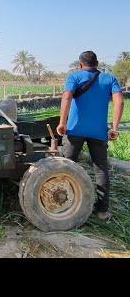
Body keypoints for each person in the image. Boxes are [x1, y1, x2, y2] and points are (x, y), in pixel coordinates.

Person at [56, 50, 124, 221]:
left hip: (74, 130)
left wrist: (62, 123)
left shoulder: (74, 77)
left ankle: (65, 204)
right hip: (99, 133)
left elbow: (66, 97)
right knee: (101, 170)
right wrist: (114, 128)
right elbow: (119, 101)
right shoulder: (109, 78)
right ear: (97, 63)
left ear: (80, 64)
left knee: (66, 167)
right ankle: (102, 211)